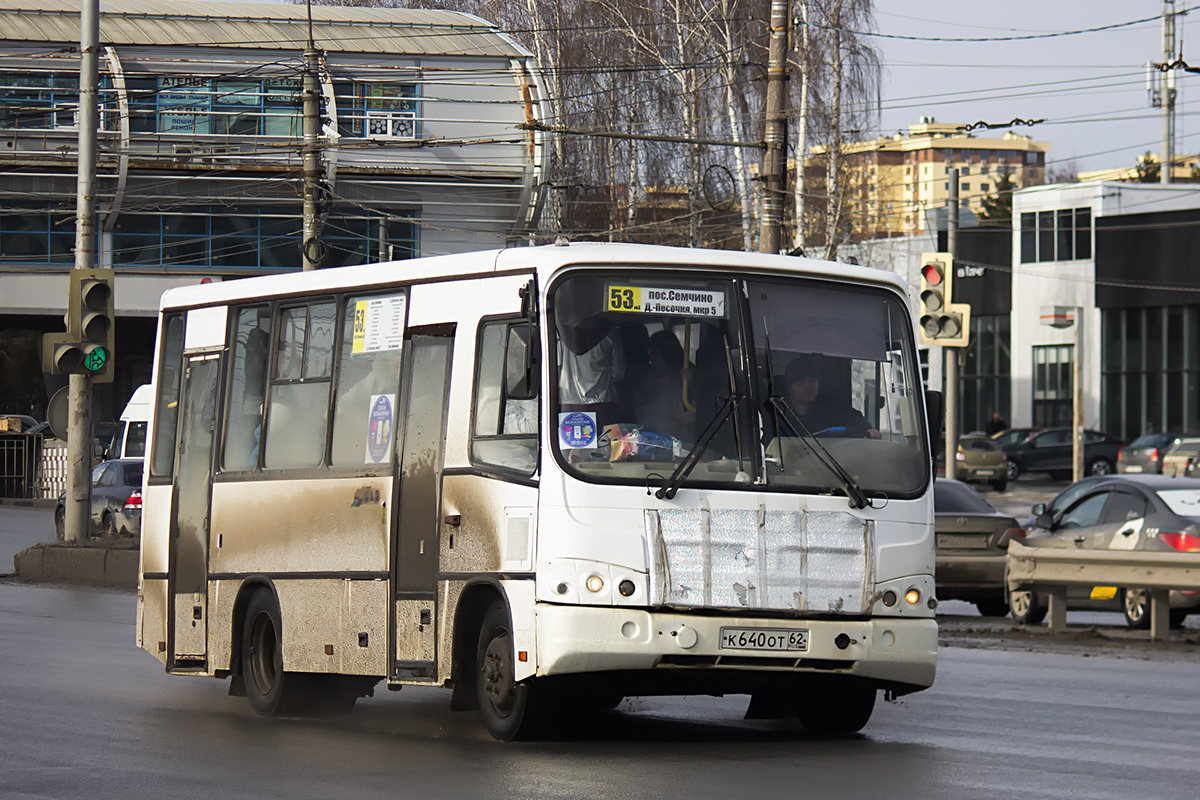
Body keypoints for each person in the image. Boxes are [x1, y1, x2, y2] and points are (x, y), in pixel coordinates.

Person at [782, 353, 880, 439]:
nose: (808, 386)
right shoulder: (779, 410)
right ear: (789, 388)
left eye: (812, 380)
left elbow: (856, 419)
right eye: (801, 382)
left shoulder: (830, 404)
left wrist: (869, 430)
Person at [634, 330, 695, 441]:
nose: (651, 359)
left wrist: (689, 385)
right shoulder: (650, 377)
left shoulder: (683, 379)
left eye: (655, 354)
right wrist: (640, 401)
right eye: (650, 354)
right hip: (649, 440)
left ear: (668, 354)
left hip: (675, 443)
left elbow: (688, 418)